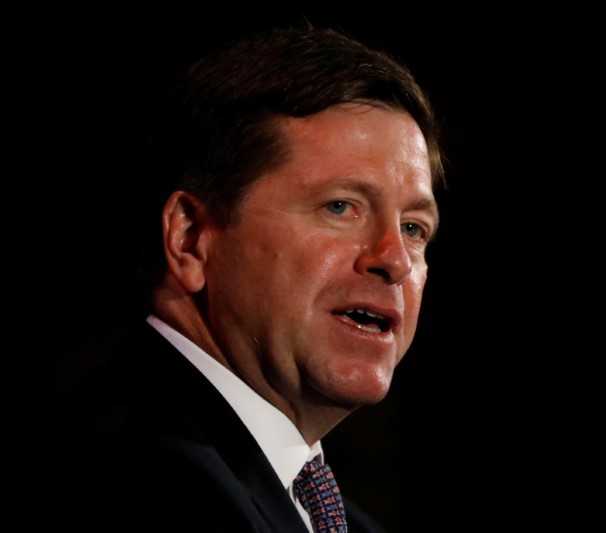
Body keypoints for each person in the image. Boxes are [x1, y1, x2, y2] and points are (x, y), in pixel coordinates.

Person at [46, 24, 445, 532]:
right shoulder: (136, 482)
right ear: (190, 239)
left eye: (414, 228)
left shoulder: (341, 522)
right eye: (341, 207)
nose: (395, 260)